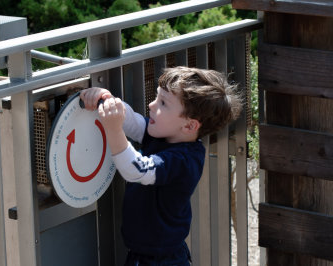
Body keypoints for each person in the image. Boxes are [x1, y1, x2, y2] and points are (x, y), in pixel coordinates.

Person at [80, 66, 242, 265]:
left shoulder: (185, 160)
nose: (151, 105)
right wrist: (106, 100)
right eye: (157, 97)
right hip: (143, 254)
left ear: (189, 125)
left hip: (163, 261)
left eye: (163, 103)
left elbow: (137, 170)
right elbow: (133, 123)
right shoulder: (165, 135)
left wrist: (113, 130)